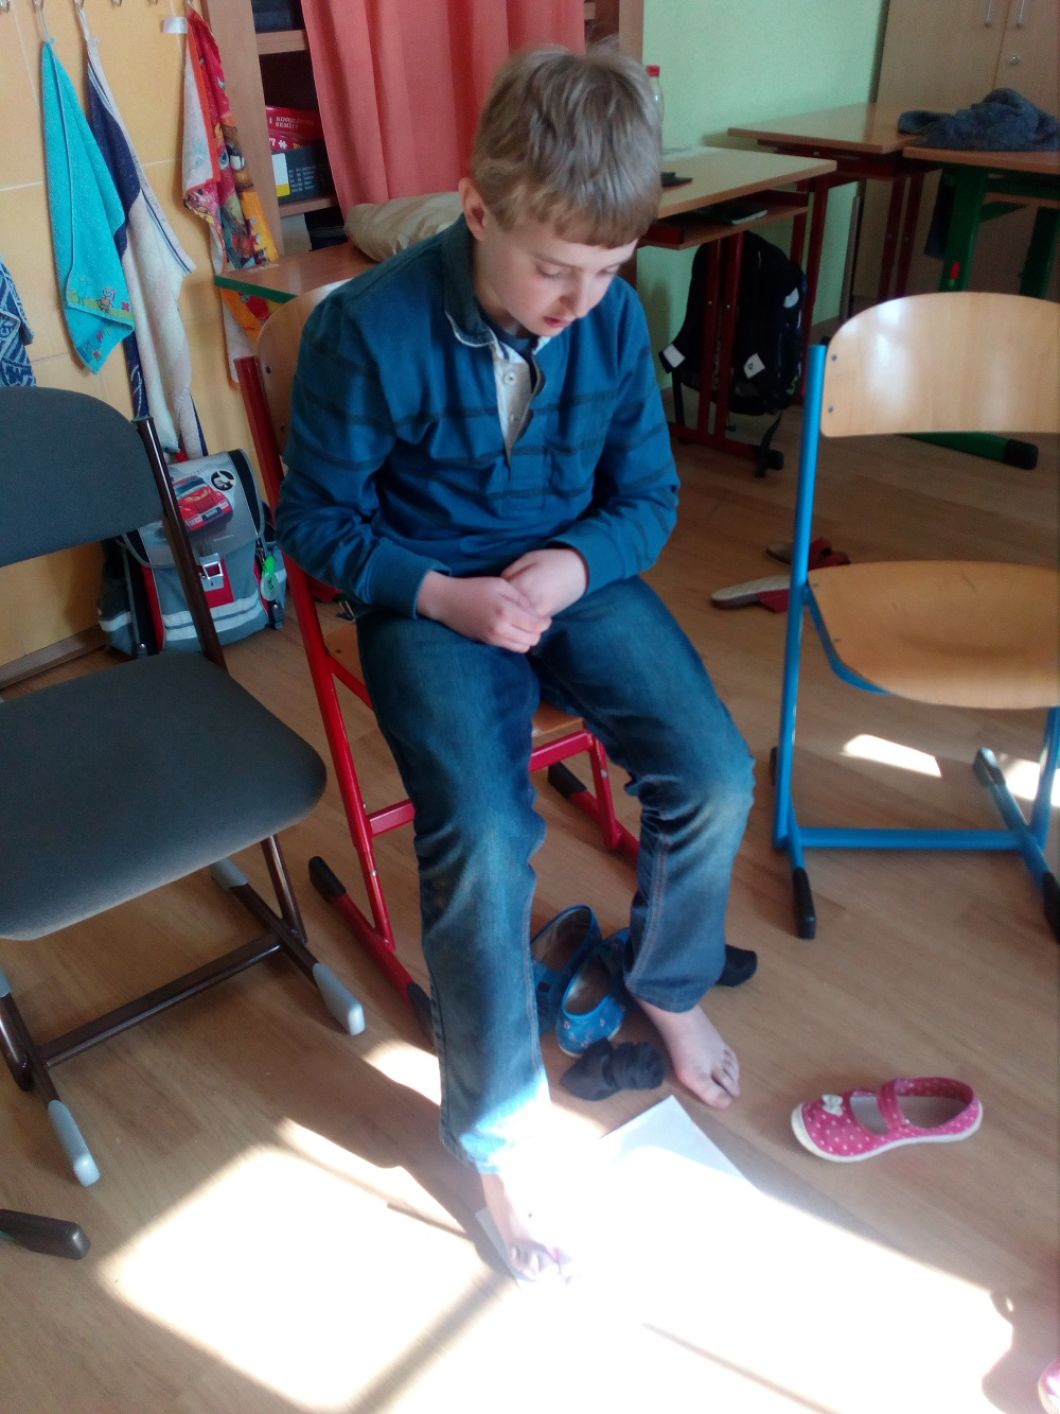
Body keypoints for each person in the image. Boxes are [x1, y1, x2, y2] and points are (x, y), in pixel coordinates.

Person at [276, 45, 755, 1282]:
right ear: (476, 208)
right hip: (429, 597)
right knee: (484, 838)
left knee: (712, 771)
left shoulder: (613, 319)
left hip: (569, 576)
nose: (580, 299)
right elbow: (314, 524)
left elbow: (646, 497)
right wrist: (444, 593)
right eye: (554, 266)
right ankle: (498, 1142)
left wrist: (571, 568)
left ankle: (668, 981)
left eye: (608, 269)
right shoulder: (365, 330)